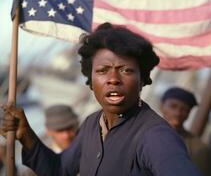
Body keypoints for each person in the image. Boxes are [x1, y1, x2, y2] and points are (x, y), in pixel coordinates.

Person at [0, 23, 200, 176]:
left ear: (142, 79)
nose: (113, 79)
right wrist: (26, 135)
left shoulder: (155, 136)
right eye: (102, 71)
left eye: (126, 70)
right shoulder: (92, 124)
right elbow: (59, 169)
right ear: (90, 80)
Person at [160, 87, 211, 176]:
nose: (177, 113)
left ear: (189, 113)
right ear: (161, 106)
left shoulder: (198, 148)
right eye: (173, 106)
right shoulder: (140, 130)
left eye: (184, 109)